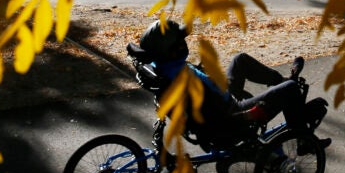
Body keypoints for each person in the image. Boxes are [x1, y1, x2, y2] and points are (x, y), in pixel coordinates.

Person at [133, 19, 330, 144]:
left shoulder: (163, 67)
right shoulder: (181, 77)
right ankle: (304, 138)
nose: (184, 43)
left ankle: (282, 80)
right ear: (172, 49)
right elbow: (213, 111)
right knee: (292, 89)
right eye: (180, 41)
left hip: (219, 100)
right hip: (232, 115)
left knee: (239, 60)